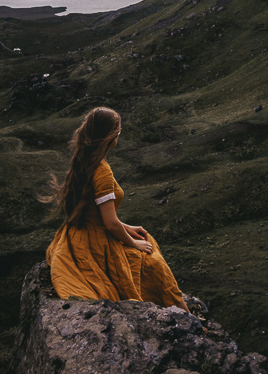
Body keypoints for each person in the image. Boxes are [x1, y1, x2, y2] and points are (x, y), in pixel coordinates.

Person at [42, 106, 190, 312]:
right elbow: (110, 223)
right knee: (152, 260)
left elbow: (95, 214)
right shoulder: (101, 170)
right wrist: (133, 243)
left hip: (76, 235)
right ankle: (184, 313)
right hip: (96, 241)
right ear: (111, 136)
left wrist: (127, 227)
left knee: (146, 242)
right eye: (118, 131)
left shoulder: (83, 159)